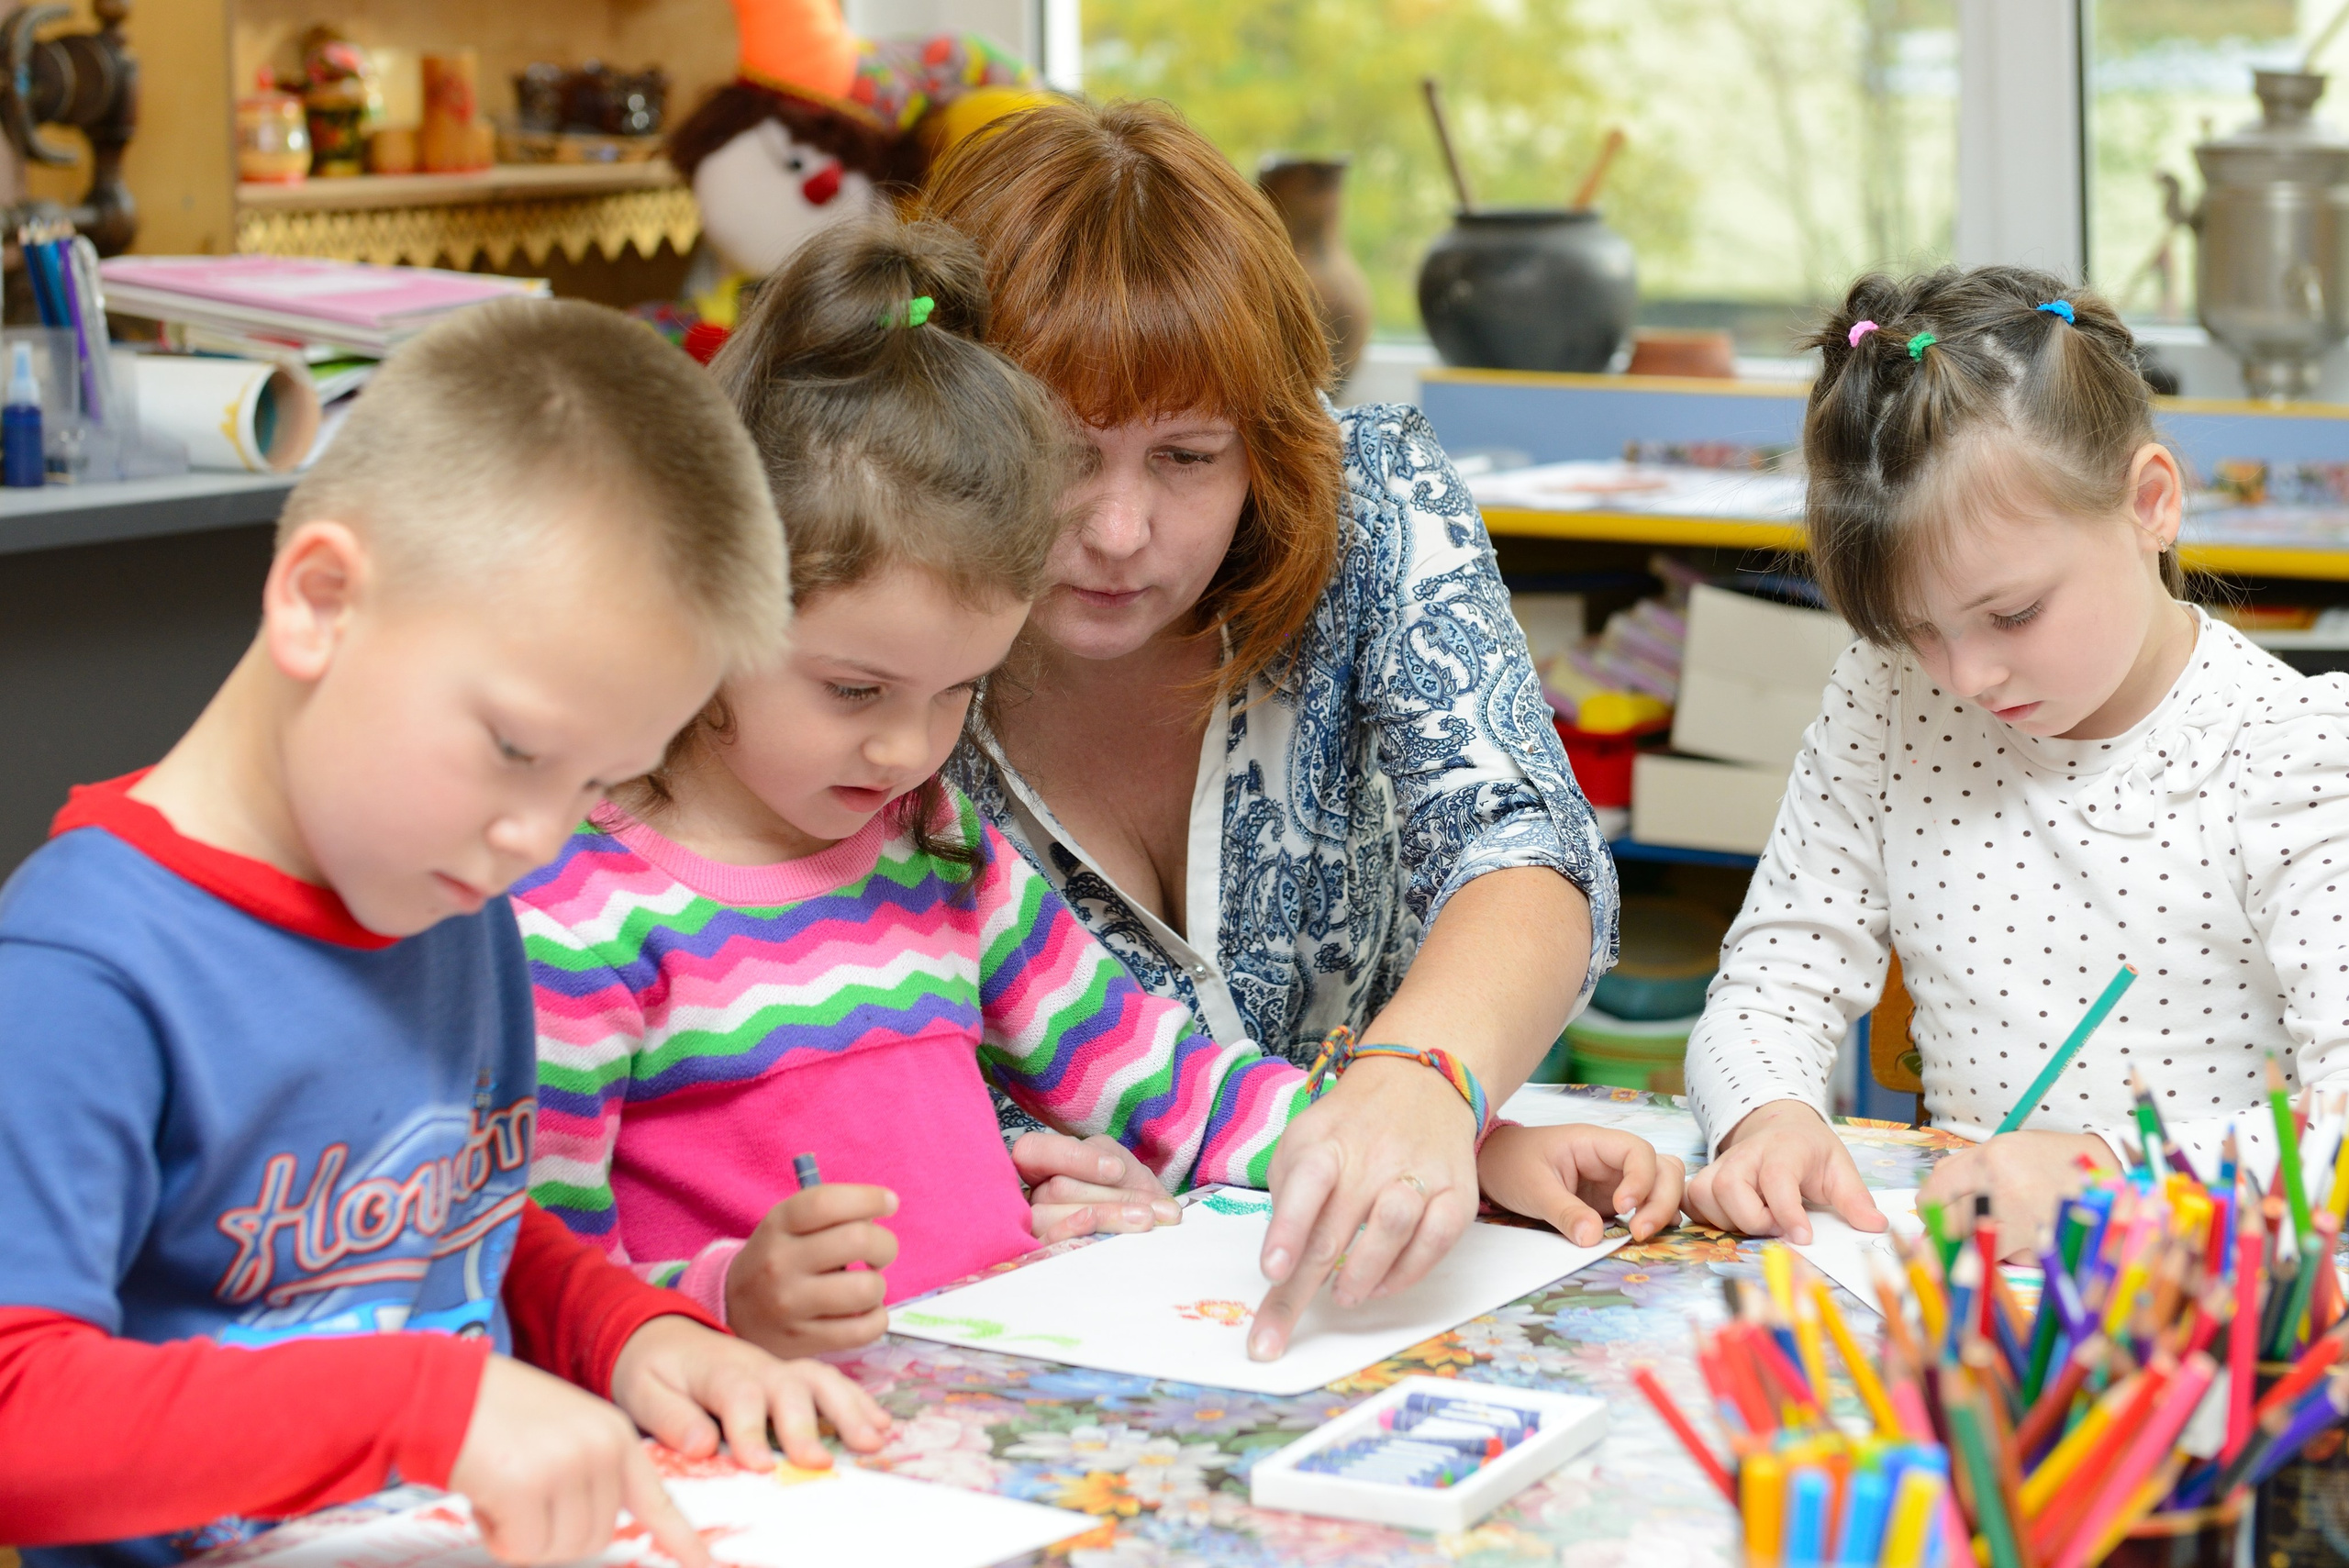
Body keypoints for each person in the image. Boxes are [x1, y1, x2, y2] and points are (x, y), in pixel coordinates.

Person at [518, 218, 1684, 1361]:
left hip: (983, 1407)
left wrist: (1426, 1140)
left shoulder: (933, 845)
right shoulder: (578, 917)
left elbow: (1172, 1085)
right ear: (709, 604)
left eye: (955, 694)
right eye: (855, 687)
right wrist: (730, 1297)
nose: (905, 750)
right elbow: (536, 1278)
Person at [0, 298, 888, 1568]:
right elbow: (15, 1412)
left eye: (595, 784)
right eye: (517, 750)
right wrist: (424, 1405)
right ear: (319, 601)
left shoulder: (447, 884)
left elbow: (444, 1224)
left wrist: (631, 1334)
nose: (541, 837)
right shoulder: (81, 968)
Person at [918, 100, 1621, 1362]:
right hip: (1045, 1311)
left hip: (1384, 1299)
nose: (1122, 531)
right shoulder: (866, 654)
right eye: (1065, 455)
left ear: (1267, 437)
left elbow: (1524, 847)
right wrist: (991, 1174)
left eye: (1188, 456)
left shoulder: (1372, 502)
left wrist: (1423, 1085)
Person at [1682, 265, 2349, 1248]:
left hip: (2208, 1300)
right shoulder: (1887, 699)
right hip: (1967, 1291)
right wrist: (1767, 1112)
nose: (1967, 676)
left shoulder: (2294, 752)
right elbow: (1774, 976)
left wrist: (2116, 1174)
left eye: (2013, 613)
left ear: (2150, 503)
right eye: (1915, 627)